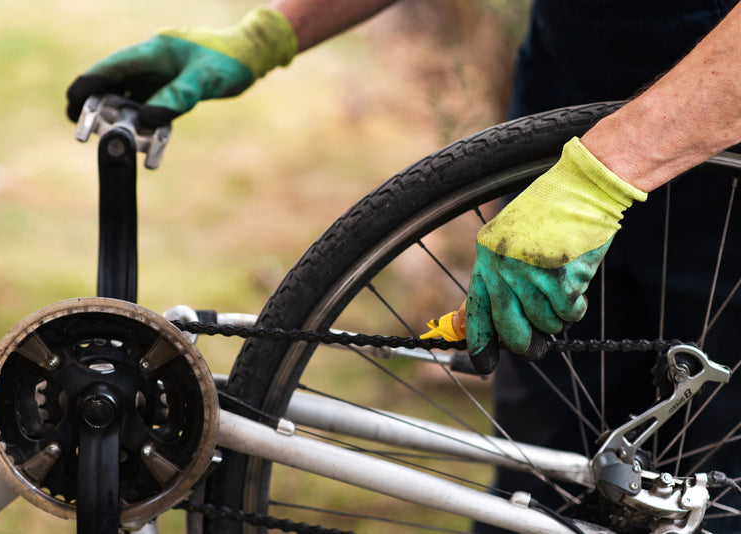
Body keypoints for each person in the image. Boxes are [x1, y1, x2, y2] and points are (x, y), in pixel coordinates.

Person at [66, 1, 741, 531]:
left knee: (716, 485)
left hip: (713, 125)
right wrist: (269, 35)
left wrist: (605, 175)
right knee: (544, 484)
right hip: (573, 92)